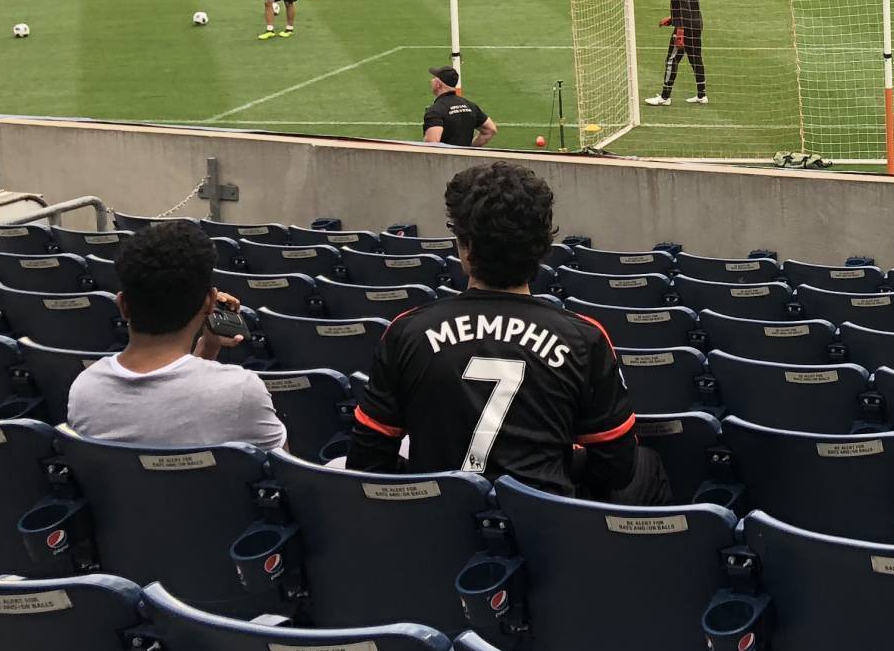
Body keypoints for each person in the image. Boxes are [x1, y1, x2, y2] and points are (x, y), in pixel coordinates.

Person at [348, 164, 667, 500]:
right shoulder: (584, 339)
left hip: (439, 526)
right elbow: (616, 467)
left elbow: (367, 462)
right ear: (542, 246)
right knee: (647, 463)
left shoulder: (406, 332)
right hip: (545, 528)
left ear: (466, 248)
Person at [65, 221, 287, 449]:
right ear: (210, 302)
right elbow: (285, 472)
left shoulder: (85, 389)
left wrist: (208, 347)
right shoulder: (241, 391)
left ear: (122, 305)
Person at [646, 0, 706, 107]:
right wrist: (671, 18)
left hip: (685, 28)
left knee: (671, 60)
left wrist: (679, 31)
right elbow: (690, 5)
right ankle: (702, 95)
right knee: (696, 59)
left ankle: (665, 97)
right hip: (696, 25)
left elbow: (684, 8)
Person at [422, 66, 496, 148]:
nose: (431, 80)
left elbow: (432, 145)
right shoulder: (470, 106)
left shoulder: (435, 111)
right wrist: (470, 149)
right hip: (465, 159)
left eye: (434, 78)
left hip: (445, 160)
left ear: (438, 85)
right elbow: (490, 130)